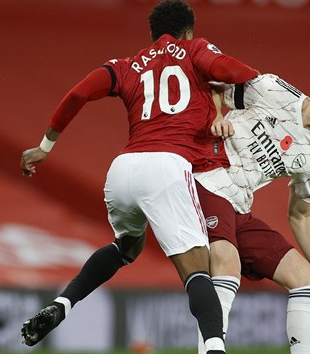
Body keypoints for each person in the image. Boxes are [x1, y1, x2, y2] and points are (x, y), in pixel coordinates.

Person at [18, 1, 257, 353]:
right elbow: (232, 70)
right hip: (167, 166)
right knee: (197, 270)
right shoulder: (195, 49)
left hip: (123, 169)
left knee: (126, 247)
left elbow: (78, 94)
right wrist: (248, 82)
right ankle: (215, 348)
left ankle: (62, 304)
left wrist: (44, 146)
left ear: (152, 34)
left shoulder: (125, 66)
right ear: (188, 30)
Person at [195, 64, 310, 354]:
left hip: (237, 203)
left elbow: (300, 215)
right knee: (228, 262)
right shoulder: (271, 90)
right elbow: (211, 85)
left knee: (307, 281)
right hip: (206, 176)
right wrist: (216, 115)